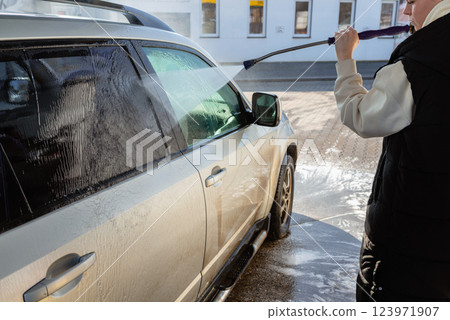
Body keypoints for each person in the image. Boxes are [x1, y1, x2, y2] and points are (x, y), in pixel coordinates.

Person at [333, 0, 450, 301]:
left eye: (411, 1)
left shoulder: (420, 63)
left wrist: (345, 58)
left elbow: (359, 114)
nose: (406, 12)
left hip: (409, 256)